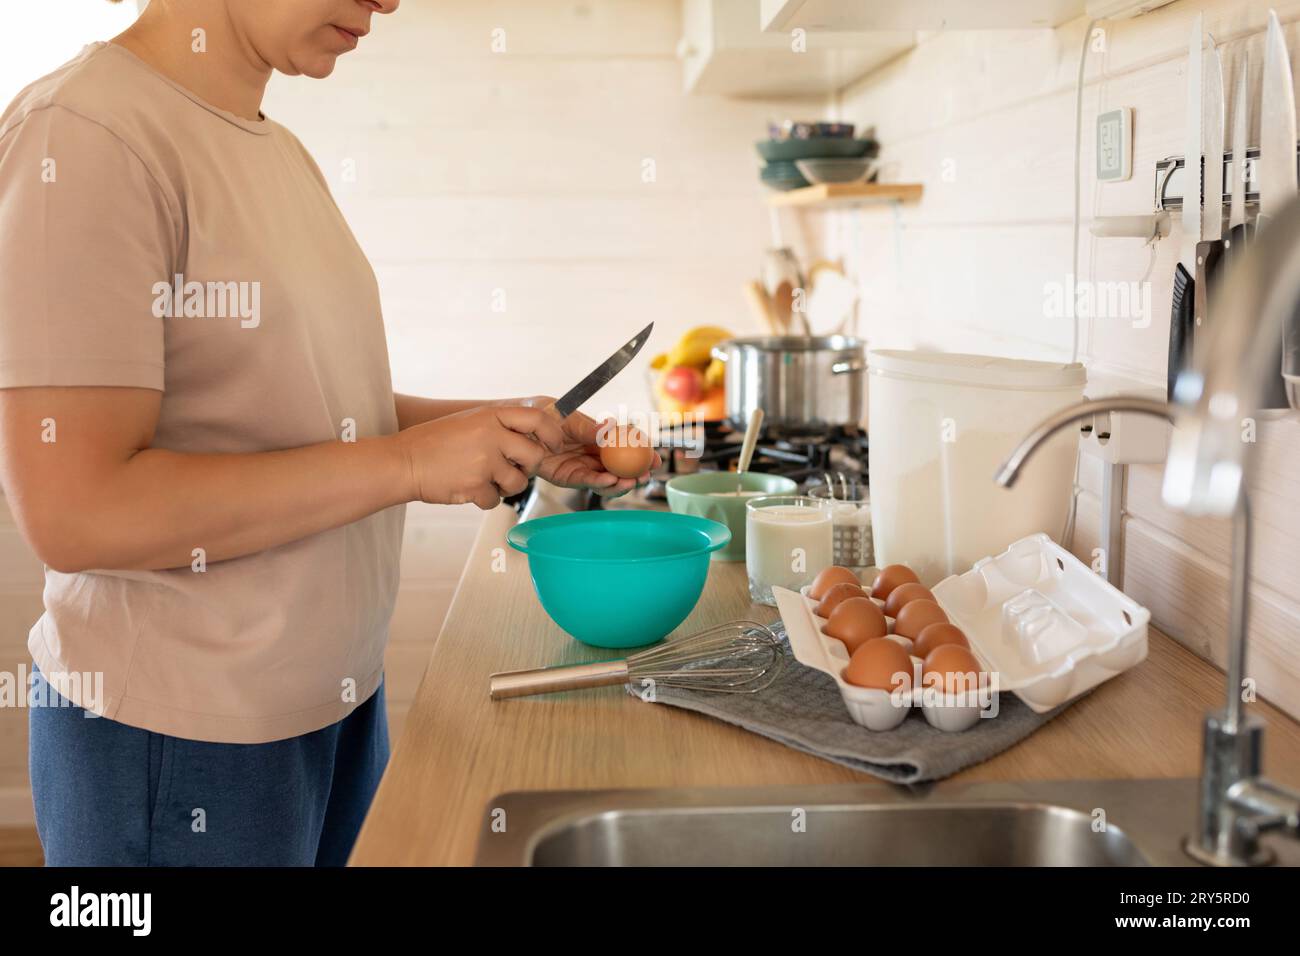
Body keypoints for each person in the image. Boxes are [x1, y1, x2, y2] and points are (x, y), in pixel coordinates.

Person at [0, 0, 654, 866]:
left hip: (333, 703)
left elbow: (306, 408)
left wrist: (487, 429)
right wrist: (411, 463)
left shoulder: (273, 147)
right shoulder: (82, 134)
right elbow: (77, 512)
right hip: (181, 734)